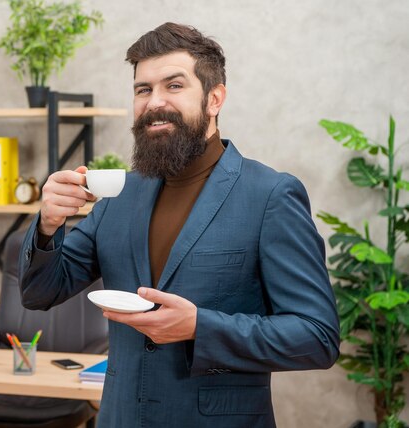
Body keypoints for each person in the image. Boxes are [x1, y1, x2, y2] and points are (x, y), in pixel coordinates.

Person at [18, 22, 339, 428]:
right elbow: (39, 293)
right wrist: (48, 224)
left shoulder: (271, 195)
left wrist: (199, 327)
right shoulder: (119, 196)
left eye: (174, 86)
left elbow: (317, 338)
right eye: (143, 89)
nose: (154, 103)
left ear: (214, 98)